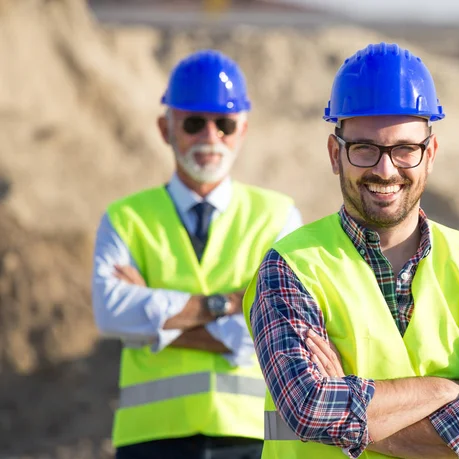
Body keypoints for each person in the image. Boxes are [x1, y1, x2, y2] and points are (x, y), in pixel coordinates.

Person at [244, 43, 459, 458]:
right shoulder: (289, 268)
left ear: (429, 154)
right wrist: (447, 390)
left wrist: (355, 409)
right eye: (364, 148)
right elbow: (310, 410)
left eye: (404, 149)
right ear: (334, 154)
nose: (385, 169)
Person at [92, 49, 302, 459]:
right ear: (164, 128)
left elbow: (275, 330)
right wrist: (228, 303)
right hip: (149, 439)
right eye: (193, 123)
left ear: (243, 130)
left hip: (252, 438)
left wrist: (153, 328)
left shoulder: (278, 217)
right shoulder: (125, 218)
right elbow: (110, 312)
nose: (210, 137)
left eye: (224, 124)